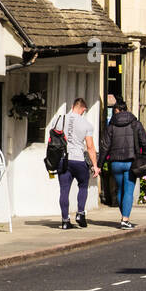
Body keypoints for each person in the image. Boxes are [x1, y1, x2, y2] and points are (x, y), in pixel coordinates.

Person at [99, 98, 146, 229]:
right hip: (131, 162)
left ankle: (124, 216)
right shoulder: (136, 124)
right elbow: (144, 141)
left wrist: (99, 164)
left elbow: (104, 147)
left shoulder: (111, 126)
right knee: (128, 192)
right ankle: (125, 219)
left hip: (115, 162)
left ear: (117, 110)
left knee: (120, 189)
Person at [58, 98, 97, 229]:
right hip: (78, 159)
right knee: (83, 185)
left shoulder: (59, 119)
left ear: (72, 106)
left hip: (63, 159)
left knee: (64, 190)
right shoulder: (86, 124)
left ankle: (64, 221)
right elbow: (90, 147)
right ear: (83, 109)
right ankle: (80, 213)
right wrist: (95, 166)